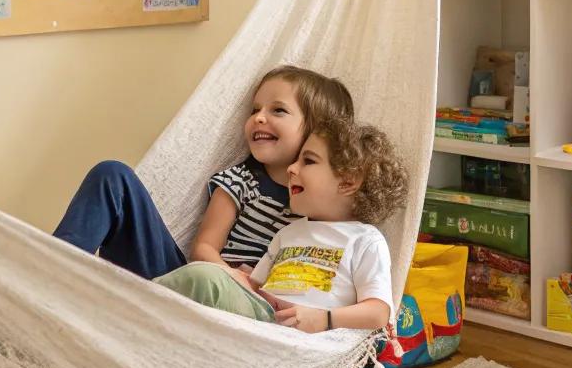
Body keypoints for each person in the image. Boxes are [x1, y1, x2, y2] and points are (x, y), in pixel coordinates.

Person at [53, 66, 354, 282]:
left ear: (318, 133)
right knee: (112, 175)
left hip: (261, 314)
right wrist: (237, 279)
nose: (259, 118)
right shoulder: (240, 181)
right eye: (255, 110)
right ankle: (49, 270)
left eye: (278, 110)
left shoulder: (325, 202)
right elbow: (203, 248)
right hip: (194, 290)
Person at [155, 115, 407, 332]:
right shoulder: (288, 233)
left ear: (348, 182)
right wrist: (234, 276)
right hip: (261, 318)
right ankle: (143, 307)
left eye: (308, 161)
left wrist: (324, 319)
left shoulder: (365, 240)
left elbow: (378, 312)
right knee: (204, 278)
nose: (291, 168)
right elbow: (254, 286)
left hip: (304, 337)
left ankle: (141, 306)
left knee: (204, 279)